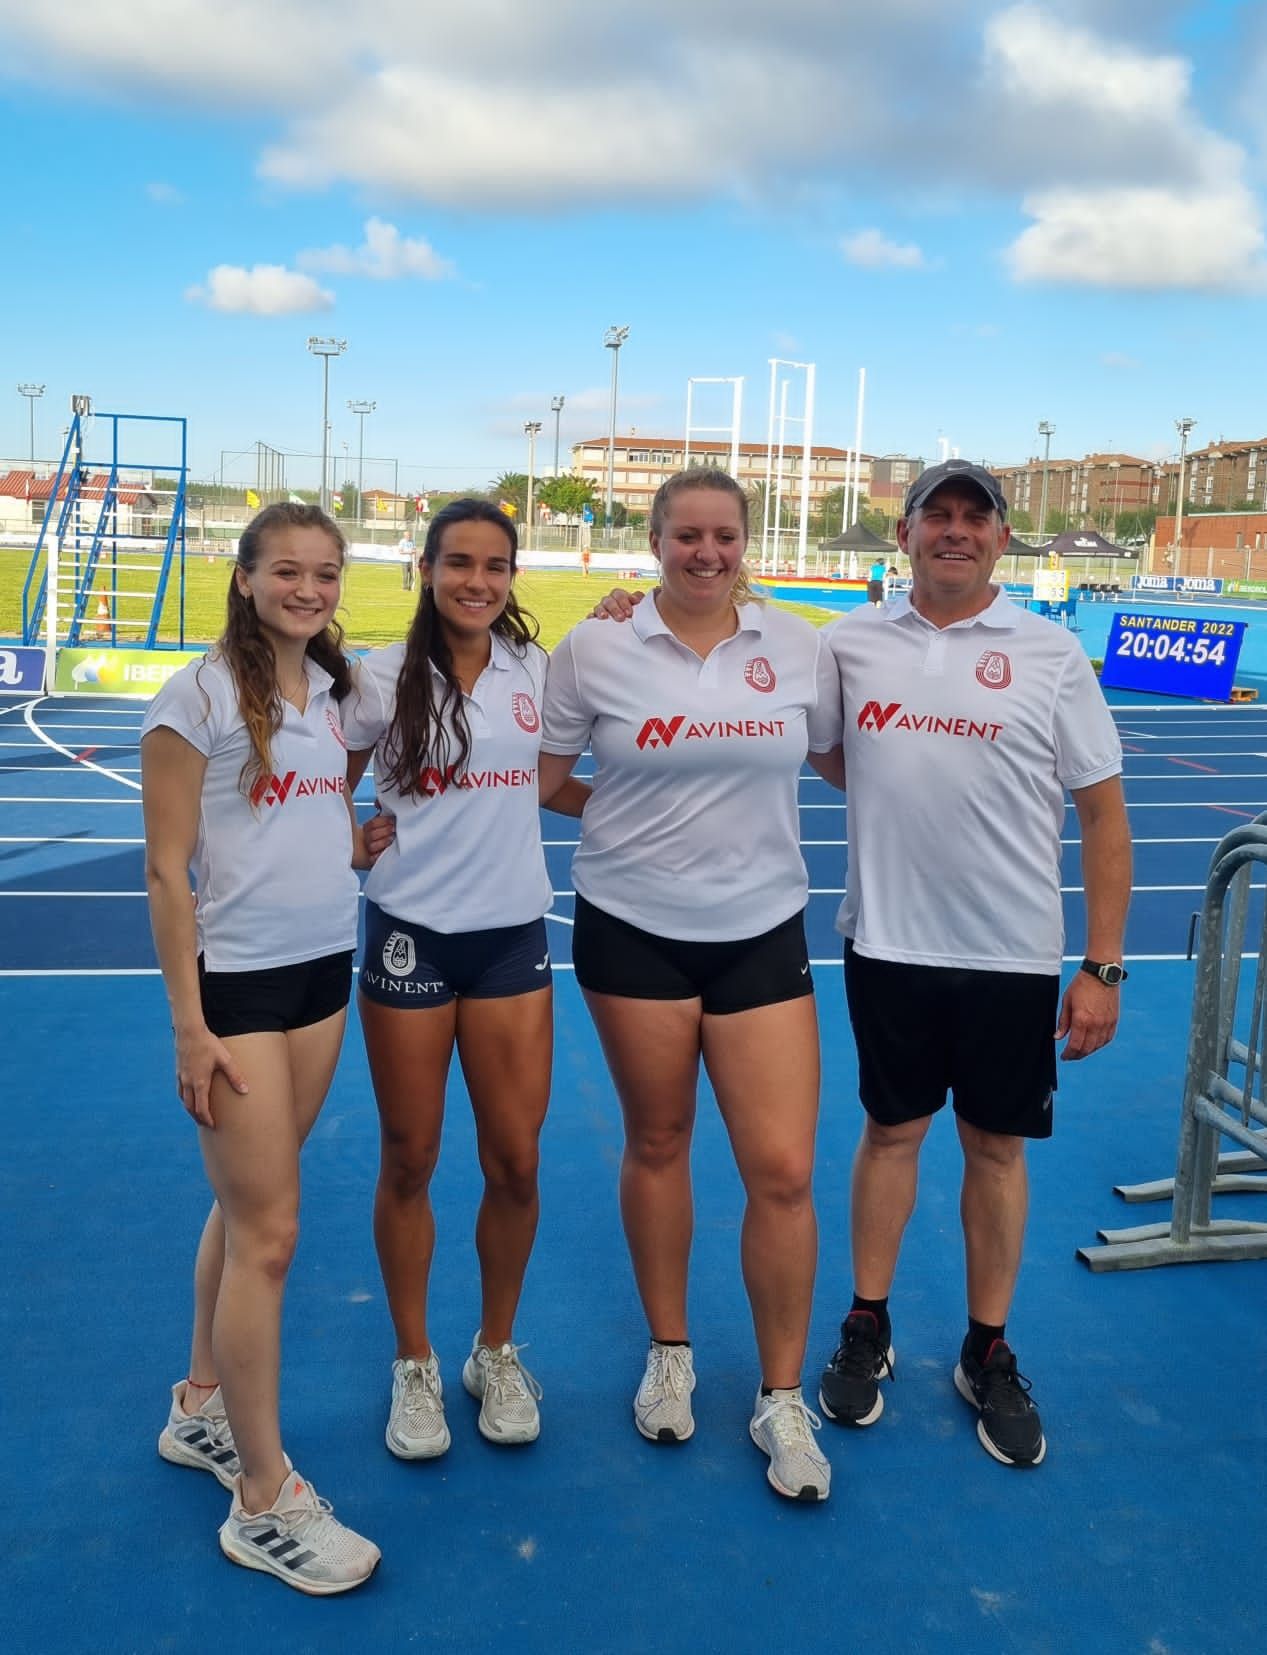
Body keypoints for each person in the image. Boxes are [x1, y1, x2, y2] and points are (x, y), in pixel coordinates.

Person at [813, 459, 1131, 1469]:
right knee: (890, 1131)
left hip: (1010, 952)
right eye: (934, 515)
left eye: (974, 517)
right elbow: (828, 749)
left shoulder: (1049, 653)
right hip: (889, 941)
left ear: (1001, 538)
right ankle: (869, 1319)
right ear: (901, 534)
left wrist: (1104, 965)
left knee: (996, 1147)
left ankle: (985, 1346)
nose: (954, 530)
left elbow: (1102, 812)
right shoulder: (849, 641)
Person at [539, 468, 844, 1502]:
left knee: (783, 1169)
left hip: (760, 930)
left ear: (744, 541)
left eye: (723, 536)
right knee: (658, 1139)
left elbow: (854, 759)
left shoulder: (801, 645)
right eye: (685, 536)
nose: (705, 553)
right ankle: (669, 1349)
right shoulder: (596, 645)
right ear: (655, 540)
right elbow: (541, 777)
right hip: (632, 931)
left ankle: (780, 1393)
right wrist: (625, 817)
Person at [142, 501, 380, 1594]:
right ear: (244, 577)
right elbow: (167, 870)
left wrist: (352, 839)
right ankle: (263, 1496)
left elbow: (310, 810)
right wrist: (189, 1024)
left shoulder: (334, 692)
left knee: (244, 1211)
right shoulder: (190, 699)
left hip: (323, 971)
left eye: (324, 572)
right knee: (271, 1234)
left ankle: (200, 1406)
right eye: (286, 569)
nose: (308, 587)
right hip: (234, 989)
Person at [342, 498, 587, 1461]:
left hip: (509, 941)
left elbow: (546, 780)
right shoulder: (380, 677)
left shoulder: (539, 671)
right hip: (409, 938)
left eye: (493, 565)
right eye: (457, 563)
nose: (476, 581)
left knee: (515, 1160)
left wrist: (634, 812)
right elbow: (328, 780)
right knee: (410, 1157)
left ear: (513, 575)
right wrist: (344, 839)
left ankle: (493, 1348)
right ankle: (414, 1361)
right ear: (426, 569)